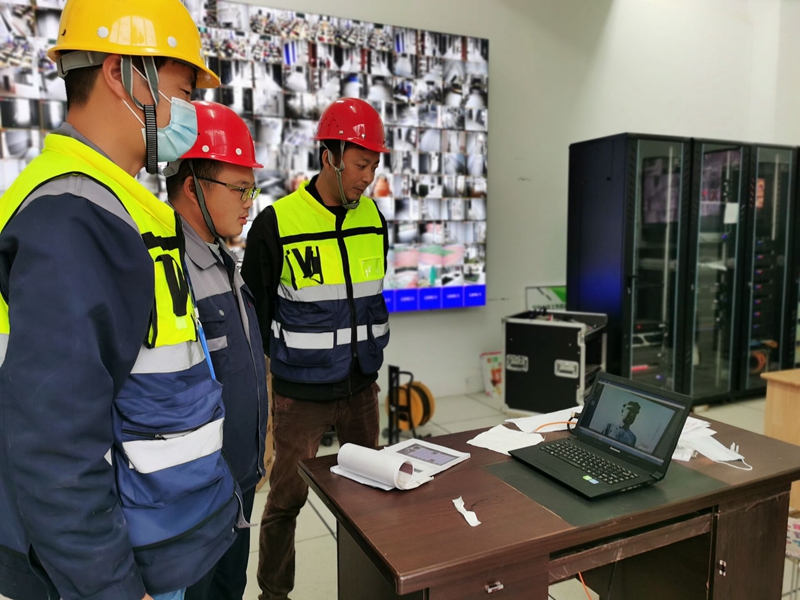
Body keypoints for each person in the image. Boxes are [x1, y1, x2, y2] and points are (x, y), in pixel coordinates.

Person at [0, 2, 242, 599]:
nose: (188, 114)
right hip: (121, 570)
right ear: (121, 74)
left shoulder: (117, 205)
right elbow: (55, 448)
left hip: (158, 540)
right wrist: (112, 588)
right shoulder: (71, 220)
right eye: (182, 93)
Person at [241, 97, 391, 600]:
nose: (368, 177)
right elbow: (256, 315)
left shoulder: (373, 219)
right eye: (361, 164)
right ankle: (274, 594)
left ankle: (371, 590)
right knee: (286, 500)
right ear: (330, 156)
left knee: (371, 498)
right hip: (300, 393)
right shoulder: (277, 223)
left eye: (374, 165)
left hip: (361, 388)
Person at [163, 101, 269, 600]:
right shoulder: (168, 270)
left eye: (252, 189)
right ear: (192, 187)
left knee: (230, 589)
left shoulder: (223, 260)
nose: (249, 202)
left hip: (235, 484)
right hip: (193, 501)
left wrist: (262, 438)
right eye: (239, 188)